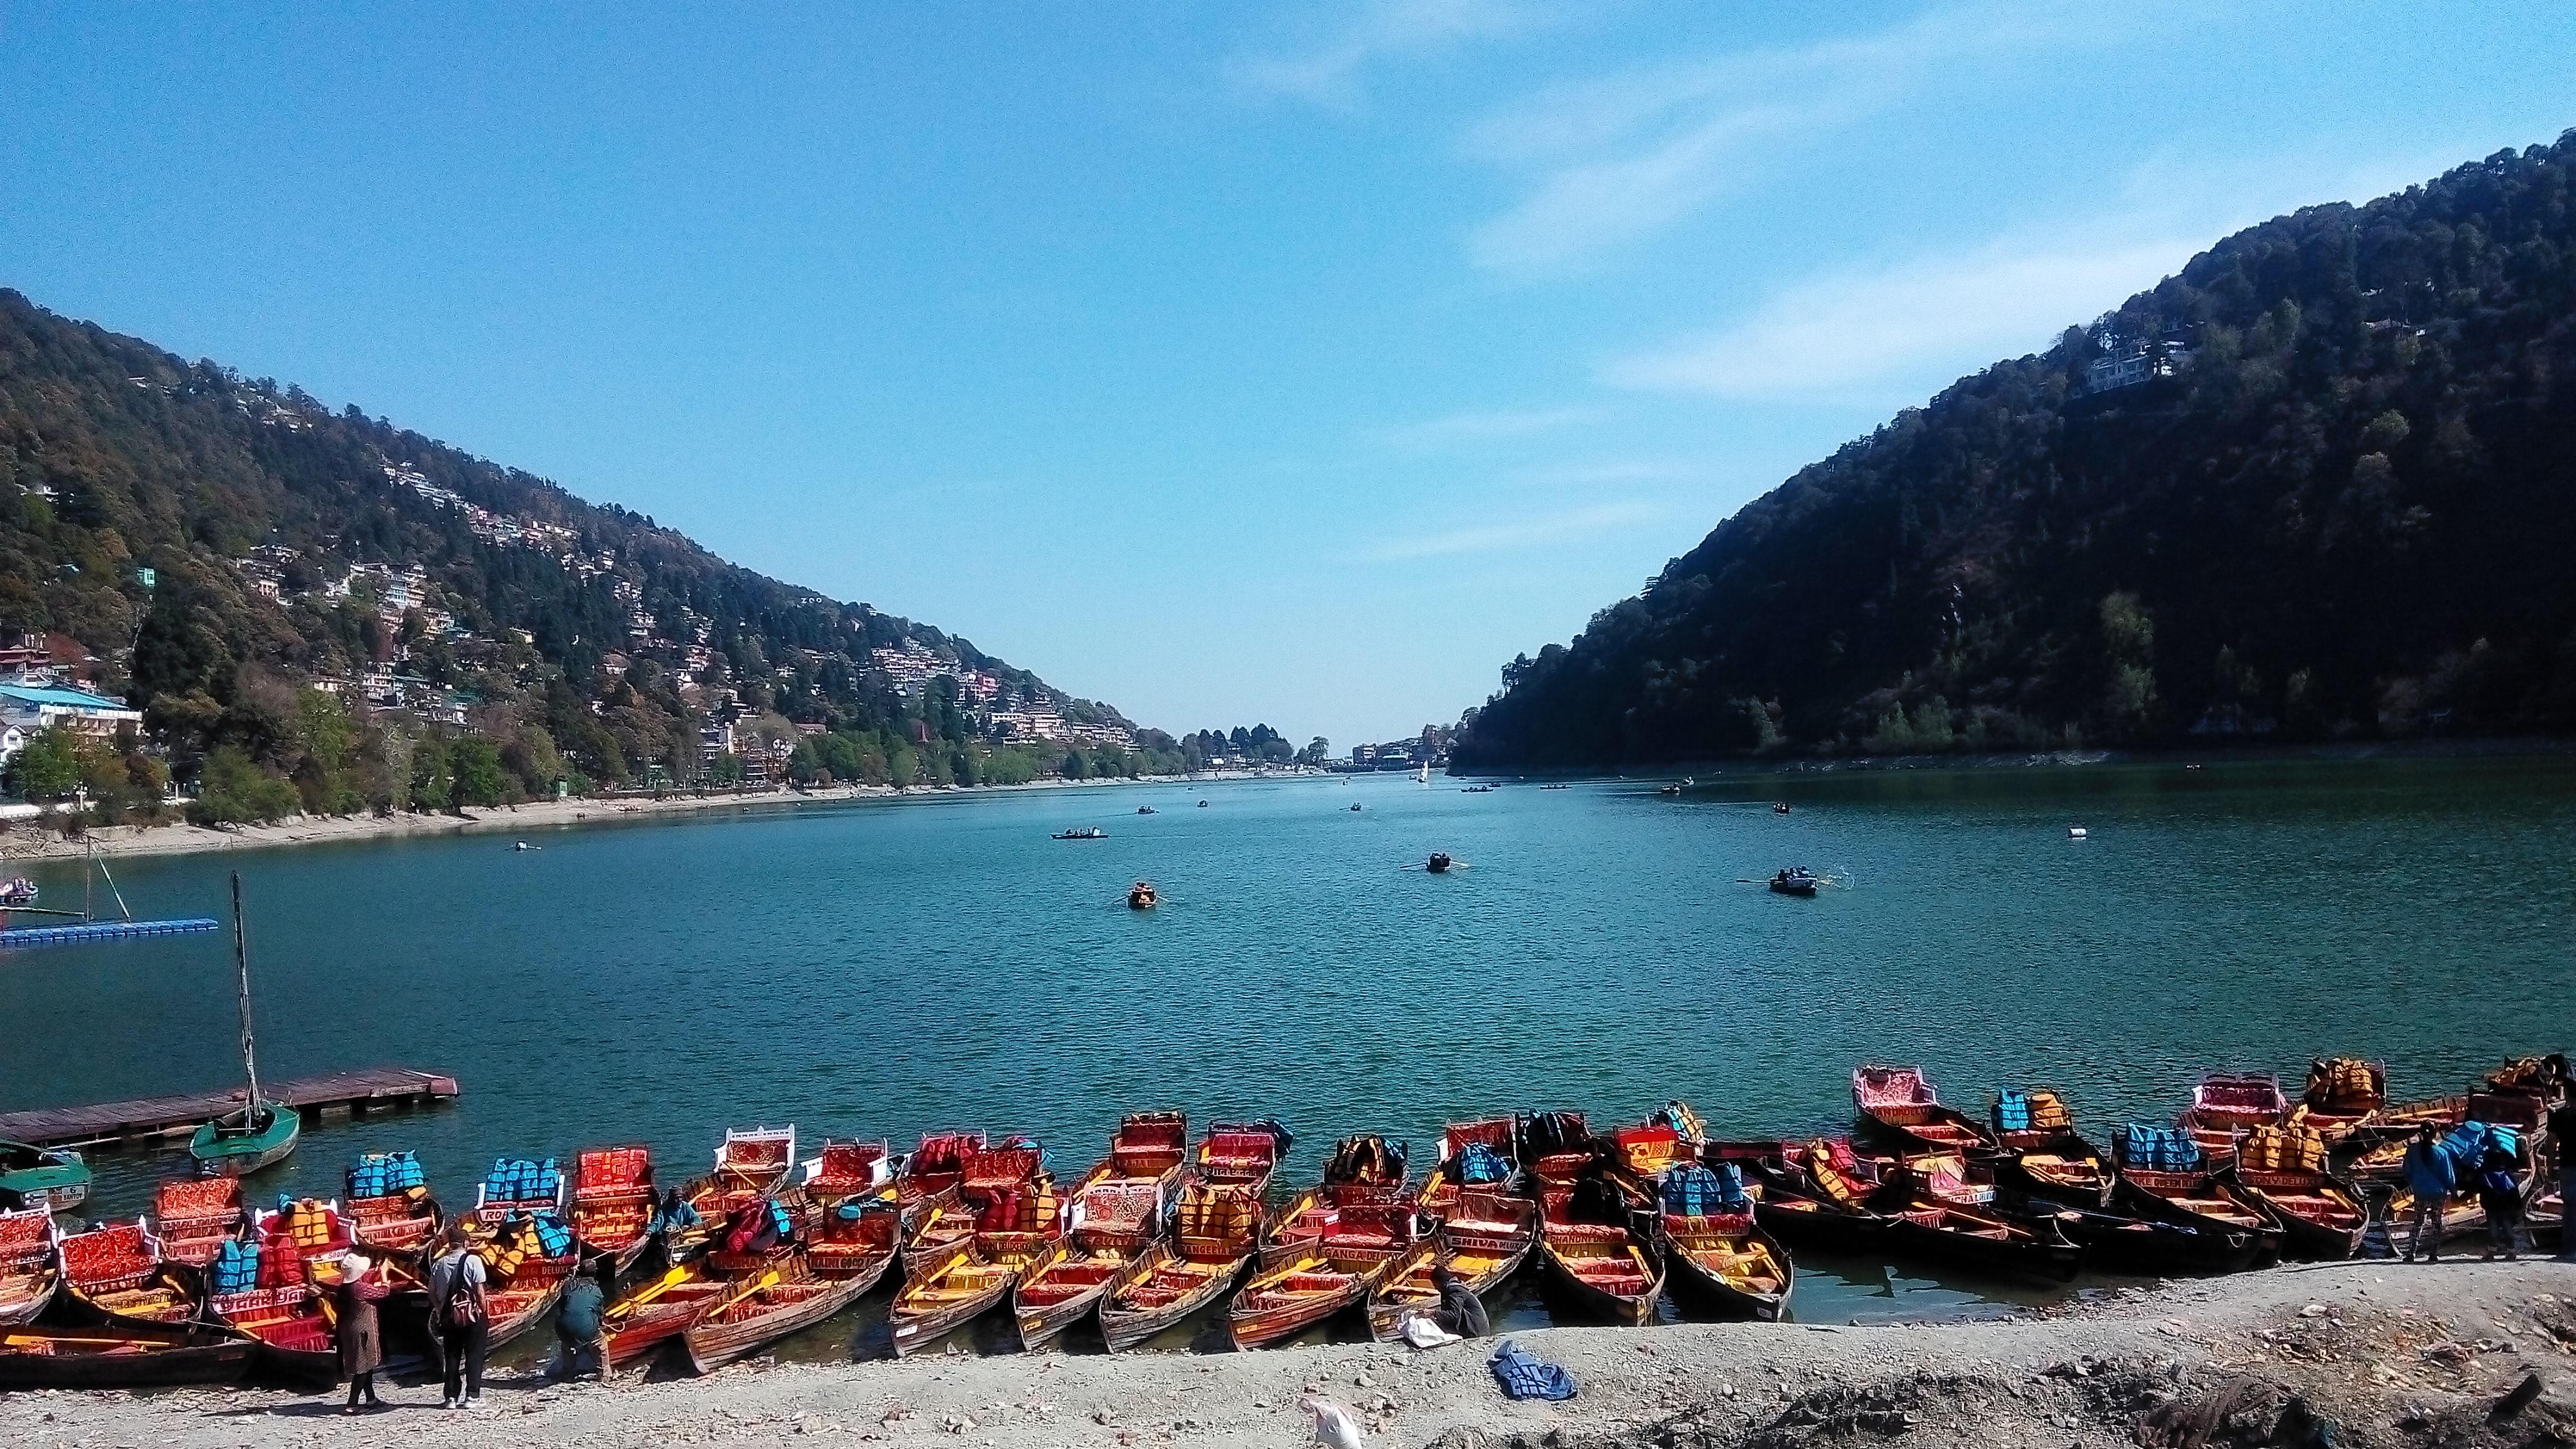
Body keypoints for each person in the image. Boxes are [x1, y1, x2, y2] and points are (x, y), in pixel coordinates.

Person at [424, 1226, 490, 1409]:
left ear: (449, 1244)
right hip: (471, 1316)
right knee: (474, 1355)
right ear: (466, 1243)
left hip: (448, 1316)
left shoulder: (439, 1264)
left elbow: (431, 1292)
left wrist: (440, 1309)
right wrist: (483, 1314)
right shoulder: (474, 1261)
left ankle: (451, 1397)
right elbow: (479, 1292)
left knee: (452, 1356)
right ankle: (472, 1396)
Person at [333, 1252, 391, 1413]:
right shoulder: (358, 1289)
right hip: (362, 1330)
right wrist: (385, 1275)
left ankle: (371, 1398)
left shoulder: (345, 1289)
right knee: (362, 1367)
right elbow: (383, 1293)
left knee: (367, 1365)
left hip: (351, 1329)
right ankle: (352, 1404)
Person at [2399, 1124, 2454, 1262]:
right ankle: (2434, 1254)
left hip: (2420, 1191)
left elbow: (2407, 1171)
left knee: (2418, 1222)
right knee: (2436, 1222)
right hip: (2438, 1193)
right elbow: (2449, 1177)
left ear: (2421, 1133)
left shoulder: (2412, 1150)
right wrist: (2454, 1192)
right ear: (2435, 1134)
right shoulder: (2442, 1153)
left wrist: (2415, 1183)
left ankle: (2412, 1253)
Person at [555, 1254, 609, 1381]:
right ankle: (605, 1375)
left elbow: (563, 1307)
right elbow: (600, 1314)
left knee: (567, 1343)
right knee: (601, 1343)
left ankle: (568, 1372)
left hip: (563, 1328)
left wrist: (570, 1275)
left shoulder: (568, 1286)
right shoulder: (597, 1292)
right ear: (595, 1273)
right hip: (586, 1330)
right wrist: (601, 1326)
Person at [2479, 1142, 2525, 1261]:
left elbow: (2482, 1190)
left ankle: (2492, 1253)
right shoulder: (2505, 1175)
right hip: (2505, 1206)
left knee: (2493, 1229)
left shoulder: (2485, 1175)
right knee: (2507, 1227)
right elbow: (2514, 1190)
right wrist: (2518, 1205)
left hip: (2491, 1207)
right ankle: (2512, 1252)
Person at [1428, 1259, 1489, 1338]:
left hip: (1477, 1333)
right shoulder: (1449, 1289)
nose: (1436, 1288)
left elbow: (1454, 1316)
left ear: (1442, 1282)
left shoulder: (1456, 1291)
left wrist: (1434, 1313)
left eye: (1436, 1285)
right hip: (1475, 1329)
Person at [2550, 1092, 2576, 1263]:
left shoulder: (2559, 1115)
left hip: (2568, 1166)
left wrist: (2550, 1165)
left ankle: (2569, 1249)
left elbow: (2550, 1142)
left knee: (2570, 1208)